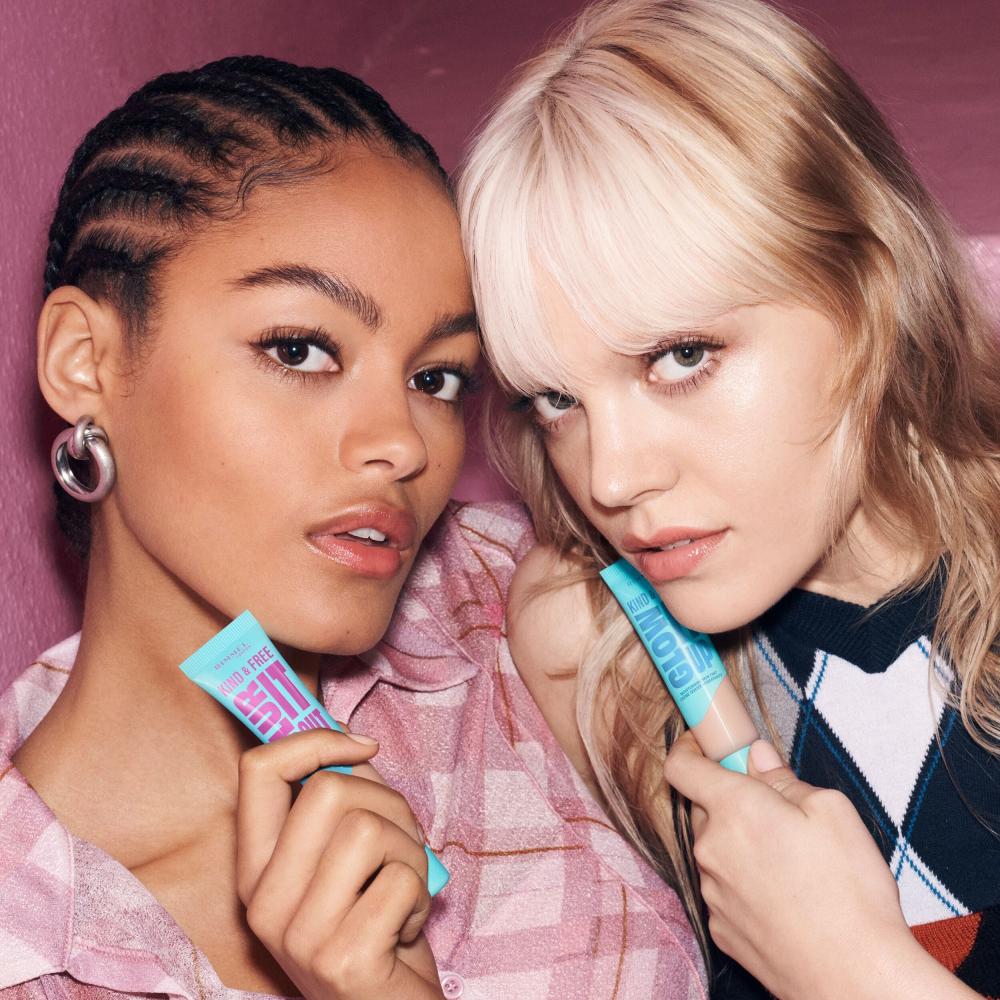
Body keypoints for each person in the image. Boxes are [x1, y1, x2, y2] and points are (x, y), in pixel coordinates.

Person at [0, 55, 706, 1000]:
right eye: (299, 350)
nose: (402, 444)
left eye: (436, 378)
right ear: (84, 362)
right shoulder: (27, 947)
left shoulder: (519, 615)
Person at [458, 0, 1000, 997]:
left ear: (867, 291)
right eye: (556, 399)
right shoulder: (596, 648)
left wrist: (852, 972)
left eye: (680, 356)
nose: (611, 478)